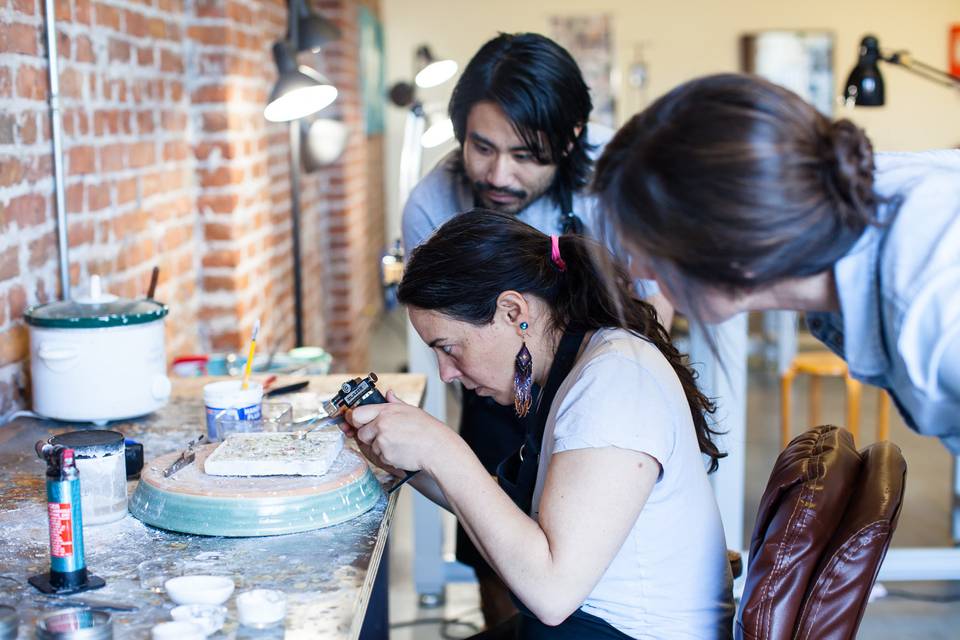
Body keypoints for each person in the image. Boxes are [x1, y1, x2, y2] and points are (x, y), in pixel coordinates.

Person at [345, 211, 733, 639]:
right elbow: (506, 508)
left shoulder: (615, 383)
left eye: (450, 348)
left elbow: (551, 592)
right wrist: (409, 461)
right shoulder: (579, 364)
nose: (446, 373)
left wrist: (441, 448)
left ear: (514, 312)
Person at [401, 32, 670, 624]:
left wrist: (600, 407)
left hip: (602, 376)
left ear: (570, 139)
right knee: (498, 555)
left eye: (527, 156)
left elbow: (655, 308)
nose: (500, 174)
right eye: (483, 148)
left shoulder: (615, 185)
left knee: (580, 569)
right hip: (503, 382)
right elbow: (455, 338)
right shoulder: (431, 201)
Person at [593, 72, 960, 452]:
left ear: (731, 249)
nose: (638, 271)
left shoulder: (934, 313)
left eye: (652, 253)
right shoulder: (827, 186)